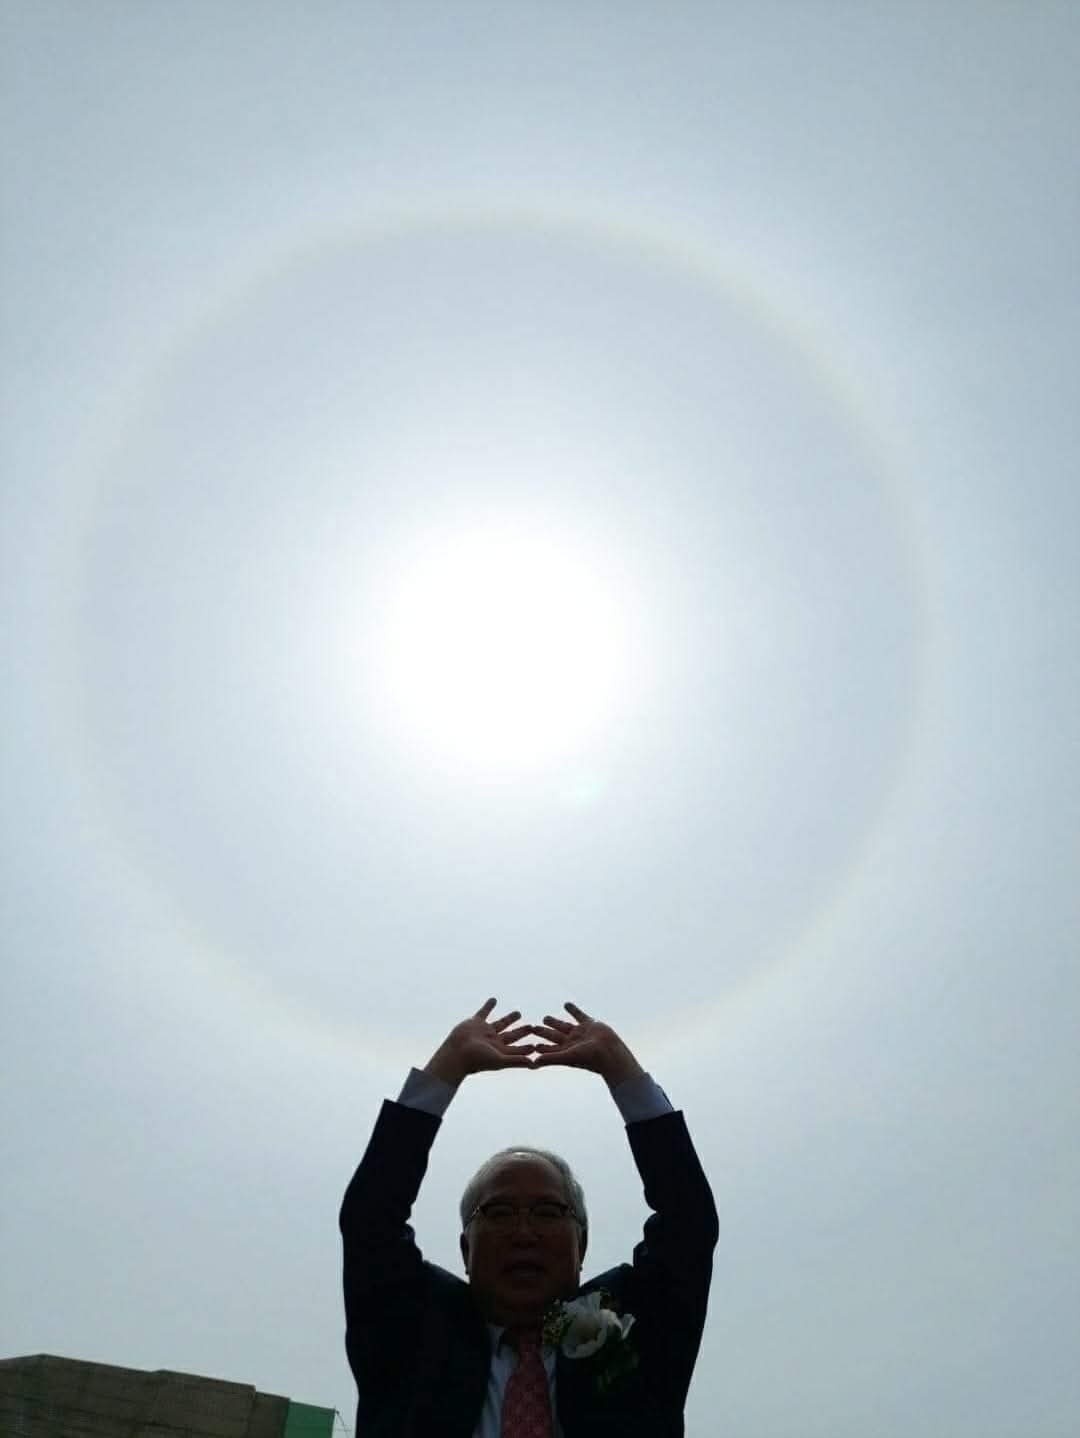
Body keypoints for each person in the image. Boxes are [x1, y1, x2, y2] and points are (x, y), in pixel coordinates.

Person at [339, 998, 718, 1436]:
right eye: (499, 1212)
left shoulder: (626, 1328)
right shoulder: (414, 1329)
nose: (523, 1232)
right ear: (465, 1247)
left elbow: (688, 1223)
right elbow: (370, 1221)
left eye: (548, 1212)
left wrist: (620, 1068)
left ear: (582, 1245)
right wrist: (447, 1067)